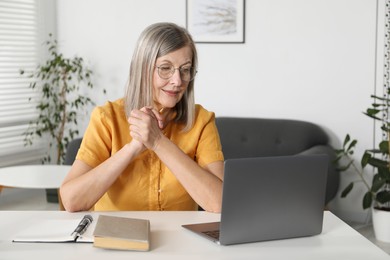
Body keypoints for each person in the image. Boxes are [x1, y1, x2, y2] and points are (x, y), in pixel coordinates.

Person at [60, 22, 224, 213]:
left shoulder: (202, 121)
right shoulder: (107, 118)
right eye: (165, 68)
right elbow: (72, 200)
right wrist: (133, 147)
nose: (177, 81)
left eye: (185, 69)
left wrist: (158, 142)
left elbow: (220, 203)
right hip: (118, 237)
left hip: (181, 239)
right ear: (143, 69)